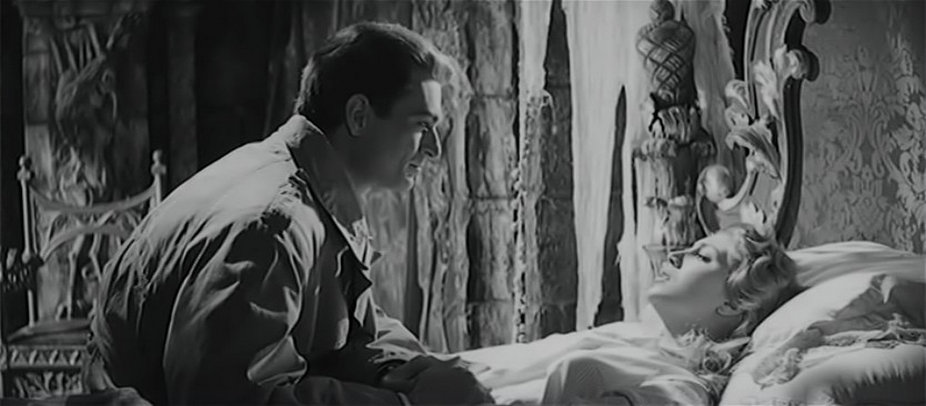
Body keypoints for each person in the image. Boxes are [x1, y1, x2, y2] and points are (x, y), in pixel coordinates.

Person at [82, 22, 493, 406]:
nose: (434, 149)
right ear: (358, 116)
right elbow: (231, 398)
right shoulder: (273, 227)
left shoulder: (311, 188)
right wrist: (405, 402)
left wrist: (408, 371)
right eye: (421, 125)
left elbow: (343, 327)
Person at [459, 224, 801, 405]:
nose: (676, 255)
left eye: (702, 256)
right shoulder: (628, 337)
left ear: (732, 305)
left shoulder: (682, 389)